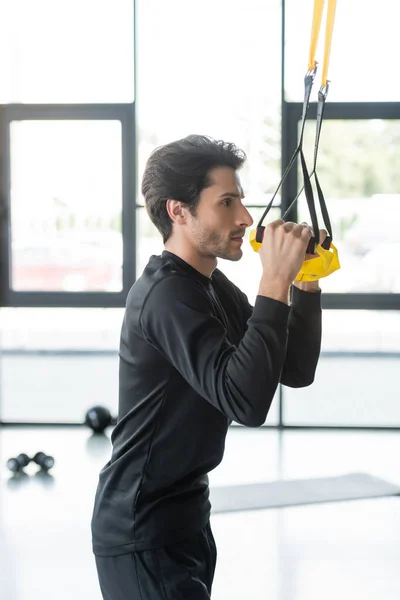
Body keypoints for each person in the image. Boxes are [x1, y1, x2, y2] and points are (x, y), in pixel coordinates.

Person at [91, 134, 323, 599]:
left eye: (241, 200)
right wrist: (273, 279)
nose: (245, 218)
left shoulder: (211, 285)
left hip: (188, 517)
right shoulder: (167, 295)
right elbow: (245, 401)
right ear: (179, 211)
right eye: (227, 202)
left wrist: (305, 285)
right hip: (142, 529)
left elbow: (294, 368)